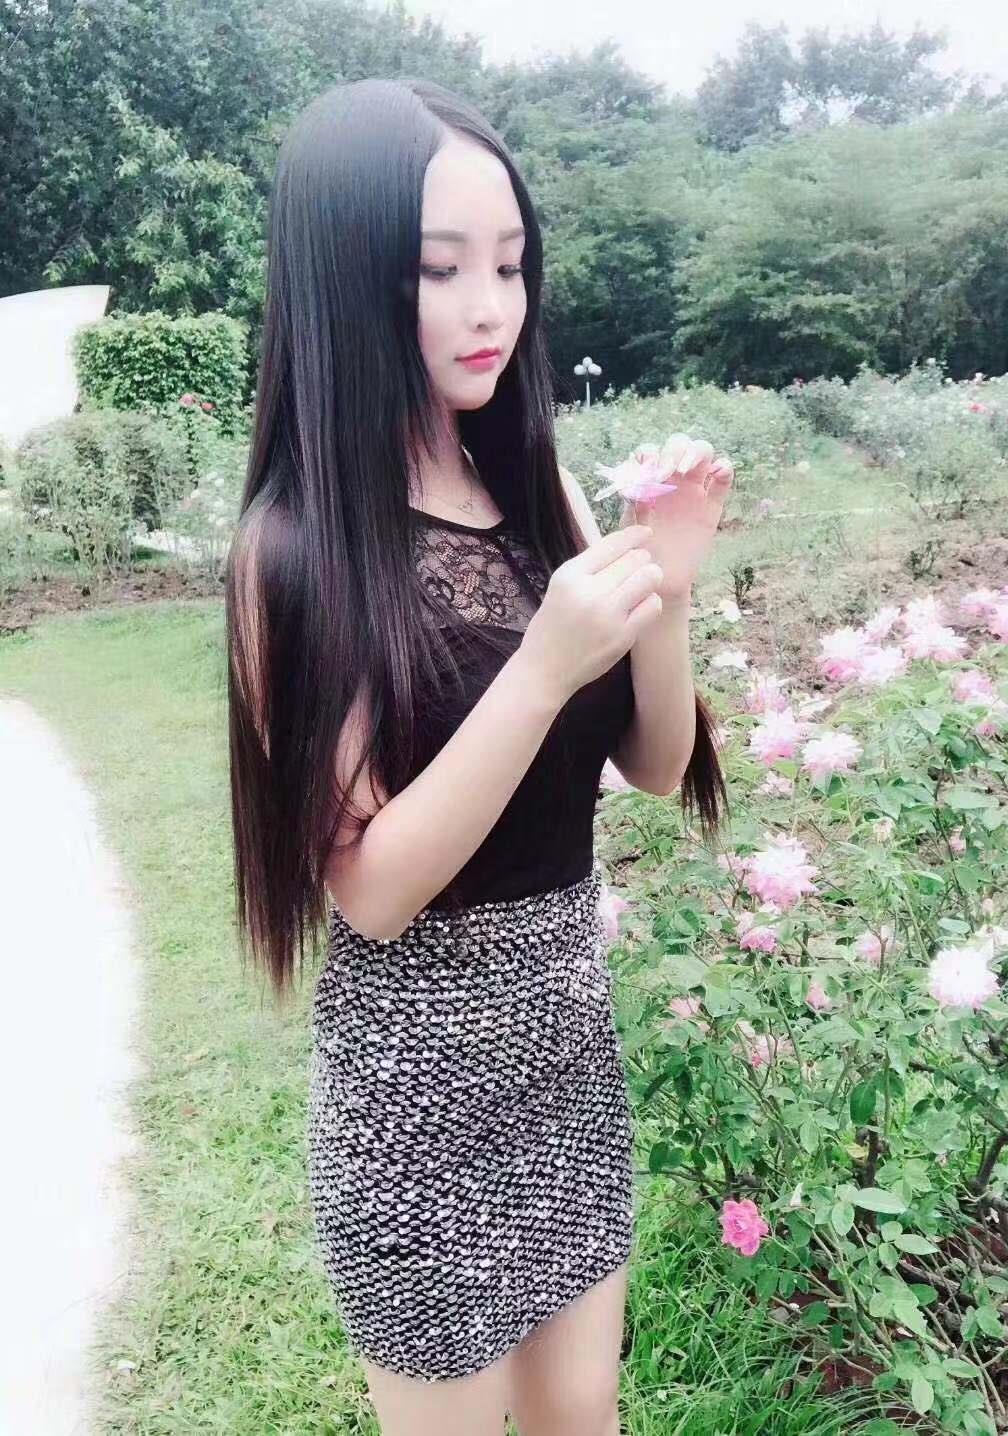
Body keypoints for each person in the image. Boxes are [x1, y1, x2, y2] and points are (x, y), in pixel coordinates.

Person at [224, 75, 729, 1436]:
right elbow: (372, 888)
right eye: (440, 269)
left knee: (585, 1422)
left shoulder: (535, 485)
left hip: (567, 1062)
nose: (489, 306)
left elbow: (657, 763)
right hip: (415, 1103)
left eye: (508, 264)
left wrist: (668, 587)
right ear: (346, 282)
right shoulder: (293, 555)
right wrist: (544, 664)